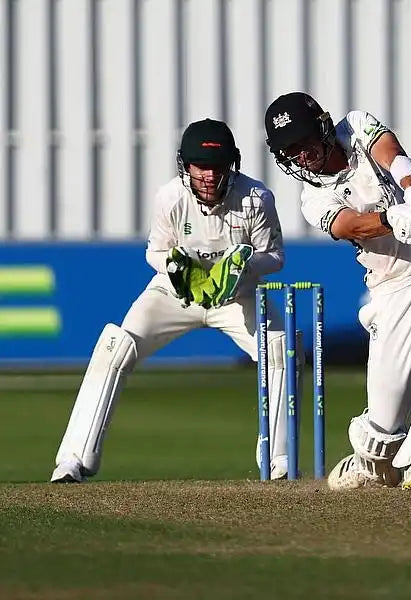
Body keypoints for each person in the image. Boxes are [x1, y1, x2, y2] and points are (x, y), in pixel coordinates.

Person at [263, 92, 411, 491]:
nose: (302, 157)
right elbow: (349, 226)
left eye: (305, 143)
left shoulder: (353, 126)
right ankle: (369, 462)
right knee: (383, 429)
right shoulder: (311, 197)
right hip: (392, 290)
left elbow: (393, 154)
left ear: (322, 126)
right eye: (291, 151)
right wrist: (392, 219)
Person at [51, 119, 290, 482]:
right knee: (116, 346)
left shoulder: (256, 198)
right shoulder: (171, 197)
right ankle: (72, 460)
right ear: (186, 166)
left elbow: (274, 257)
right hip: (175, 292)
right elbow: (155, 252)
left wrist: (242, 263)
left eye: (215, 167)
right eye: (200, 167)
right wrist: (178, 265)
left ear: (231, 165)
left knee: (280, 350)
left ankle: (278, 460)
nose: (208, 176)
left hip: (236, 296)